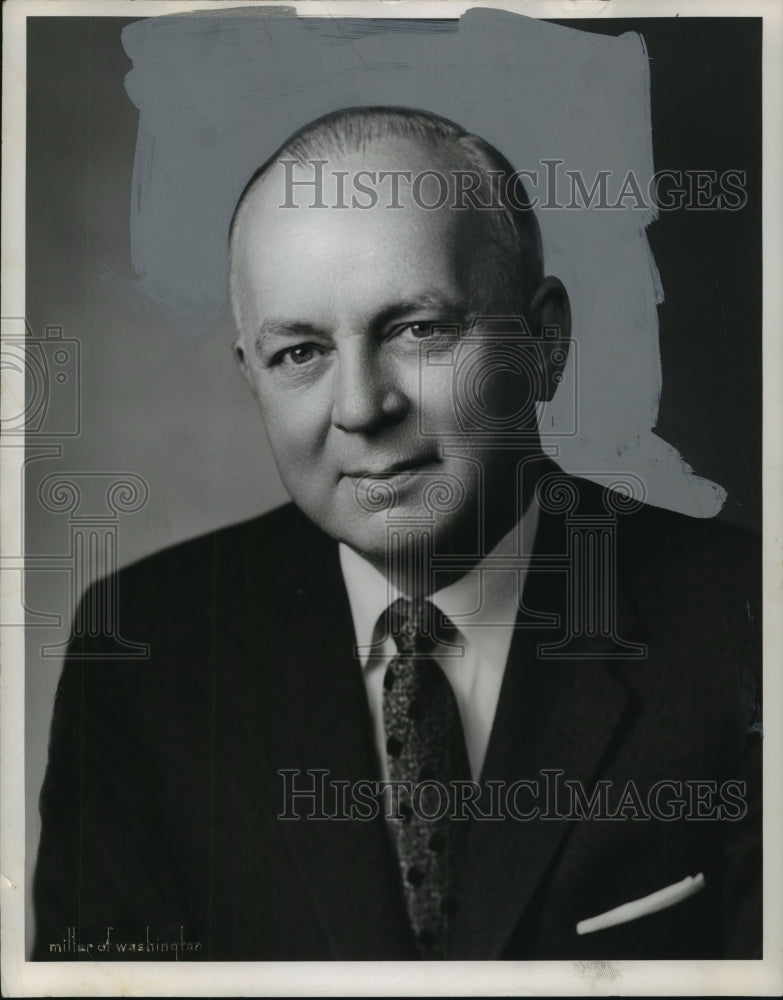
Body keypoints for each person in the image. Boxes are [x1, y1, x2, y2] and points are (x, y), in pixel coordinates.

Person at [33, 107, 761, 961]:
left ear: (543, 342)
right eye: (299, 352)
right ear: (252, 378)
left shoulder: (745, 623)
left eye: (417, 330)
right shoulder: (144, 648)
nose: (359, 408)